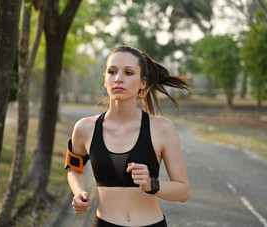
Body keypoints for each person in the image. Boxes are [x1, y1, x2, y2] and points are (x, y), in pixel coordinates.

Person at [64, 45, 190, 227]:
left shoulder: (162, 128)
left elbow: (183, 191)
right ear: (105, 80)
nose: (118, 79)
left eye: (129, 73)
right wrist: (78, 192)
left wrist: (151, 184)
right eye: (112, 72)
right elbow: (75, 170)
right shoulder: (84, 128)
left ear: (143, 82)